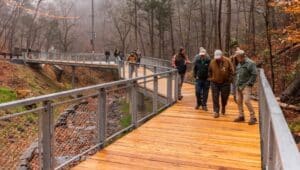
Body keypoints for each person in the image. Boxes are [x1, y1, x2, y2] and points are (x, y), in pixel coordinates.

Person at [233, 50, 258, 125]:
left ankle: (253, 117)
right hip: (239, 85)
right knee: (238, 100)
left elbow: (254, 74)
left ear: (241, 56)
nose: (236, 58)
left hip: (246, 85)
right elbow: (238, 74)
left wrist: (249, 83)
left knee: (246, 101)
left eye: (237, 57)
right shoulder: (239, 63)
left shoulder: (250, 63)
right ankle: (241, 116)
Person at [208, 50, 234, 118]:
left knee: (224, 97)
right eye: (216, 58)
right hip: (215, 82)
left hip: (225, 82)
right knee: (215, 97)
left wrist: (230, 79)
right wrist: (211, 78)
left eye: (219, 57)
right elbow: (209, 71)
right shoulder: (212, 62)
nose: (218, 59)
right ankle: (216, 111)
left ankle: (223, 106)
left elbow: (232, 71)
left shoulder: (227, 61)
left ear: (222, 56)